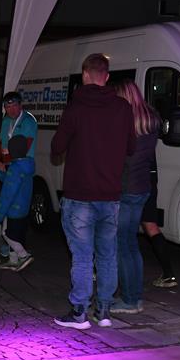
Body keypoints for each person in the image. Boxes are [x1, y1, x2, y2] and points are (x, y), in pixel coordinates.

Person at [50, 53, 136, 330]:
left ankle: (79, 313)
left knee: (83, 257)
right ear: (107, 77)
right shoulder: (123, 108)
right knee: (107, 255)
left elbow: (57, 147)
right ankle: (105, 310)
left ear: (85, 75)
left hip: (80, 196)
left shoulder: (75, 108)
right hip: (110, 196)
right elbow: (131, 147)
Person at [111, 79, 161, 315]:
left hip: (125, 188)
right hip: (143, 188)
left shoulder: (124, 121)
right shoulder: (151, 119)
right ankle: (136, 297)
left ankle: (129, 300)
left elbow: (120, 159)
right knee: (132, 244)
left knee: (122, 245)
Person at [0, 138, 35, 271]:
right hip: (23, 209)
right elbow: (10, 180)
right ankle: (13, 260)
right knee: (18, 235)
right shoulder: (26, 165)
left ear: (13, 151)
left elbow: (8, 194)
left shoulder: (15, 168)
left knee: (6, 233)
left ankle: (23, 255)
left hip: (13, 209)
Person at [142, 163, 178, 289]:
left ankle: (100, 271)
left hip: (131, 182)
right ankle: (168, 274)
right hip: (149, 179)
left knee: (117, 228)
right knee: (151, 225)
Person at [0, 91, 38, 167]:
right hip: (7, 163)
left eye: (14, 106)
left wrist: (5, 158)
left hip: (23, 164)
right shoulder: (6, 121)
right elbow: (1, 142)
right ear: (5, 108)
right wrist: (0, 159)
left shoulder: (28, 121)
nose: (12, 110)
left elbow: (23, 147)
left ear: (20, 105)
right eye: (8, 107)